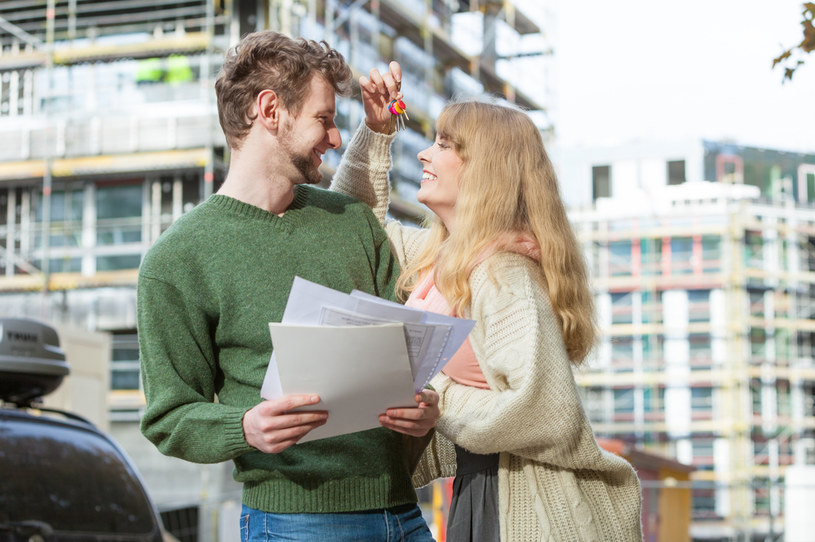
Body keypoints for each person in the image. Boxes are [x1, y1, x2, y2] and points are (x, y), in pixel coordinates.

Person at [137, 32, 439, 542]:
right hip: (293, 523)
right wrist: (244, 427)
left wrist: (424, 404)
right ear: (270, 110)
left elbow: (407, 353)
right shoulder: (176, 261)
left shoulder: (351, 221)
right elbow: (168, 416)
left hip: (404, 515)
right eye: (325, 119)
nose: (336, 138)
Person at [331, 64, 644, 541]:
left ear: (485, 170)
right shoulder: (446, 259)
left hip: (525, 507)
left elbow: (548, 412)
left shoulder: (504, 273)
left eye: (443, 144)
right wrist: (376, 131)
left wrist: (436, 398)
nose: (423, 153)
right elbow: (351, 231)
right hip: (484, 490)